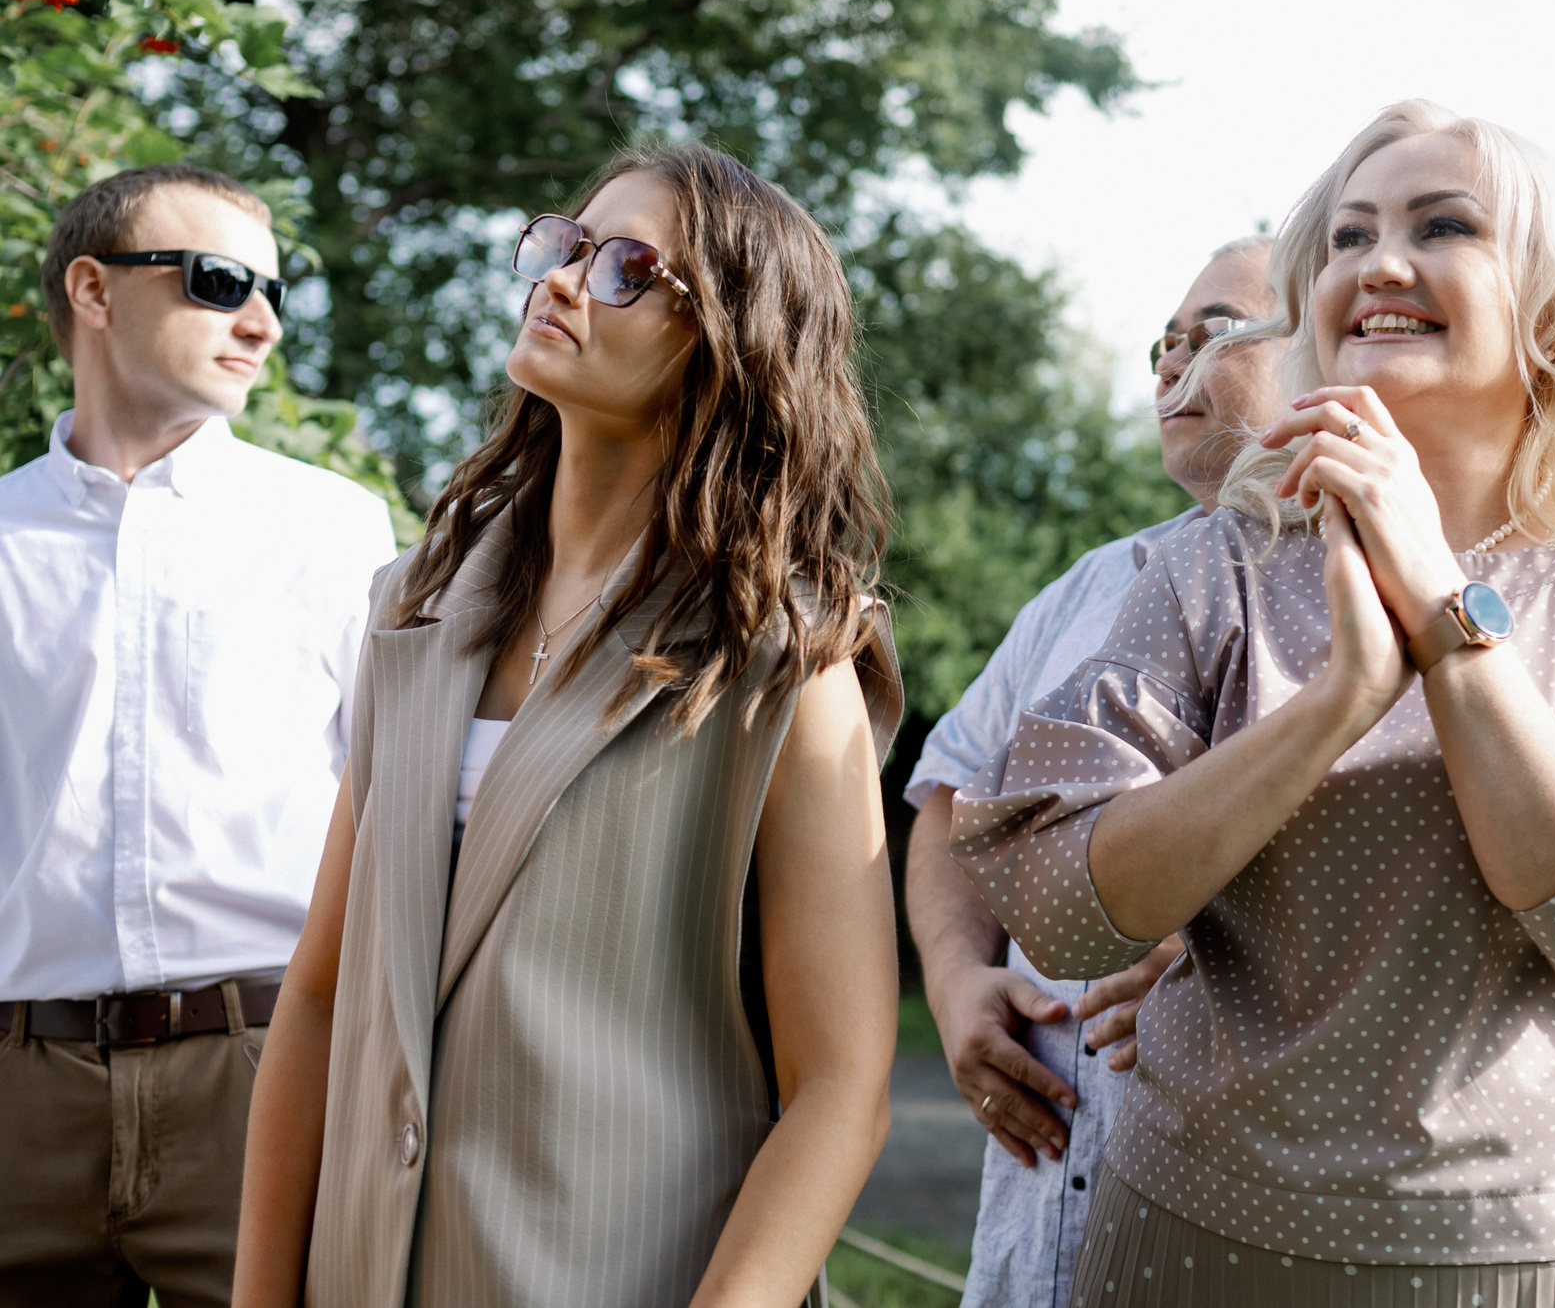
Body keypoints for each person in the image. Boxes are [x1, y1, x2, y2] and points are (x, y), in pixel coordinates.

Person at [953, 99, 1555, 1306]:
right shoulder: (1214, 561)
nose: (1379, 263)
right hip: (1190, 1234)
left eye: (1444, 226)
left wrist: (1445, 614)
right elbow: (1065, 909)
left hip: (1537, 1251)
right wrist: (1333, 702)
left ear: (1546, 304)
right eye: (1345, 236)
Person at [231, 144, 905, 1308]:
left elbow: (842, 1084)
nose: (561, 279)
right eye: (567, 243)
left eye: (628, 268)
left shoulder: (783, 662)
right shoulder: (413, 607)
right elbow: (323, 996)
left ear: (729, 344)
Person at [0, 165, 395, 1308]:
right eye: (221, 283)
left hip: (262, 1072)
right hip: (19, 1086)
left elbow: (403, 809)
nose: (262, 322)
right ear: (93, 288)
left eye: (273, 290)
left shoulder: (333, 530)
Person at [904, 235, 1285, 1308]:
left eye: (1212, 333)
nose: (1170, 365)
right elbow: (949, 796)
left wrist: (1233, 947)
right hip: (1037, 1230)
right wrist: (952, 978)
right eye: (1161, 344)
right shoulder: (1087, 587)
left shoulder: (1389, 585)